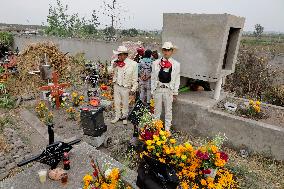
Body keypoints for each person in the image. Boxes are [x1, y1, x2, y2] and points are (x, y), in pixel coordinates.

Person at [151, 42, 180, 131]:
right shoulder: (156, 63)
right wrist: (153, 91)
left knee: (168, 111)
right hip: (158, 89)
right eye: (165, 50)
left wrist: (175, 92)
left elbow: (177, 78)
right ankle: (156, 130)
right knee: (157, 111)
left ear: (171, 51)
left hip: (168, 90)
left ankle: (167, 130)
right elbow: (153, 77)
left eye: (168, 50)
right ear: (162, 51)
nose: (166, 52)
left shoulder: (176, 64)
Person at [108, 46, 138, 125]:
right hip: (117, 85)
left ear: (125, 55)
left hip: (126, 87)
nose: (118, 56)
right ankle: (117, 116)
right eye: (118, 55)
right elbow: (109, 72)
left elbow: (135, 78)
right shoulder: (114, 62)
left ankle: (124, 117)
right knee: (117, 102)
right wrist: (113, 67)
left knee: (125, 103)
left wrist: (133, 89)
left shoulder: (133, 64)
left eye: (120, 55)